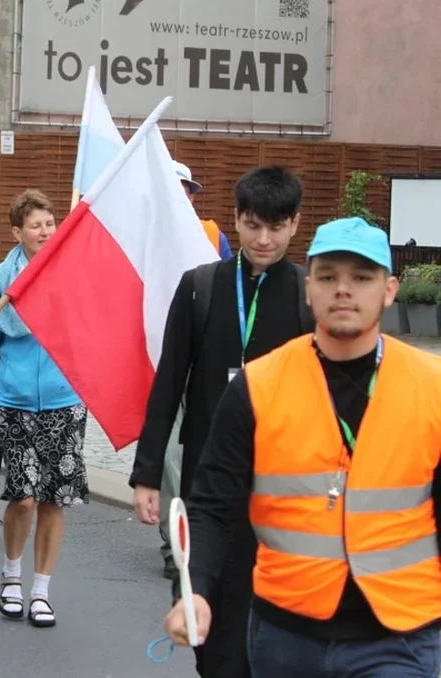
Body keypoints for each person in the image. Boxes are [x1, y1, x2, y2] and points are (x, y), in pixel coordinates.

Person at [164, 218, 441, 677]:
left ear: (389, 290)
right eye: (329, 277)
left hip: (399, 637)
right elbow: (211, 505)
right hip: (286, 634)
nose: (344, 290)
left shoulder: (431, 387)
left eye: (362, 277)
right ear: (308, 288)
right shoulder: (258, 386)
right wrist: (193, 591)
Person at [130, 166, 311, 678]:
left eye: (276, 227)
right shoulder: (199, 288)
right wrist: (147, 475)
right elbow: (168, 384)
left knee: (274, 618)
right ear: (236, 220)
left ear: (295, 225)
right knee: (207, 609)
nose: (264, 239)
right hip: (208, 480)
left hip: (285, 484)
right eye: (253, 226)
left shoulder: (305, 292)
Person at [0, 190, 87, 629]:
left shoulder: (73, 273)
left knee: (54, 499)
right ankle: (11, 576)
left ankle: (41, 589)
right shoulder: (3, 279)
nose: (44, 231)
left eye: (49, 223)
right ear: (17, 232)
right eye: (35, 225)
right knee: (22, 496)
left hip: (64, 401)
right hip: (12, 400)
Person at [174, 161, 233, 259]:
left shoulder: (212, 235)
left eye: (180, 191)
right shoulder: (144, 236)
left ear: (191, 198)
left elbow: (230, 273)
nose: (174, 198)